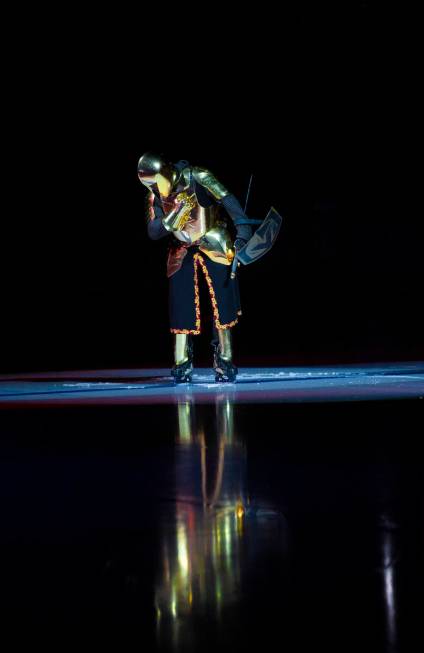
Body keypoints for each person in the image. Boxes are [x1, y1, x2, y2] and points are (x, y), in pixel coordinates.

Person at [137, 152, 256, 383]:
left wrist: (242, 228)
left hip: (213, 240)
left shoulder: (197, 176)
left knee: (222, 302)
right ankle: (181, 361)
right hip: (180, 248)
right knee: (182, 304)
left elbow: (226, 198)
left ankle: (224, 357)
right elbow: (152, 231)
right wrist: (168, 222)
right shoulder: (154, 195)